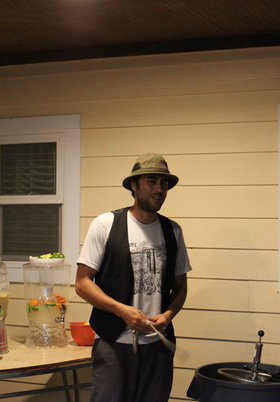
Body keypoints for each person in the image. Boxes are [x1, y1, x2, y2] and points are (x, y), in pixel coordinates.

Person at [75, 152, 192, 402]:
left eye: (163, 183)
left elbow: (181, 286)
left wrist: (168, 315)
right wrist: (122, 311)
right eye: (151, 181)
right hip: (113, 342)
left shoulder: (173, 231)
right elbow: (82, 283)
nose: (159, 189)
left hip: (158, 345)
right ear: (134, 186)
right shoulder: (106, 224)